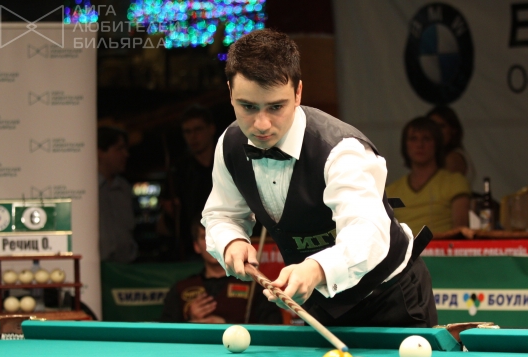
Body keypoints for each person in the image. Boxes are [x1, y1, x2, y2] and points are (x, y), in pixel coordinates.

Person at [202, 29, 437, 327]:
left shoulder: (341, 149)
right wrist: (231, 241)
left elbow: (367, 233)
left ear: (298, 92)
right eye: (248, 107)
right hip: (319, 304)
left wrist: (315, 269)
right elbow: (222, 214)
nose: (261, 124)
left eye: (276, 107)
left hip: (390, 298)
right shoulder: (230, 145)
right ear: (230, 93)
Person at [160, 217, 283, 324]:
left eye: (217, 237)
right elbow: (164, 333)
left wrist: (227, 325)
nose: (212, 243)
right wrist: (189, 319)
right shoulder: (180, 289)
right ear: (196, 246)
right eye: (205, 237)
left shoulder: (255, 287)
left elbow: (273, 330)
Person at [386, 117, 470, 235]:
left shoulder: (455, 182)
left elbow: (461, 231)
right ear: (405, 145)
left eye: (426, 139)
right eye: (413, 139)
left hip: (443, 246)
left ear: (437, 143)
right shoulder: (391, 190)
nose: (420, 144)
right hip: (403, 247)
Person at [161, 105, 217, 259]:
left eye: (198, 129)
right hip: (191, 250)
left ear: (211, 129)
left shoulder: (228, 163)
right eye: (187, 131)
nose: (193, 136)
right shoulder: (178, 171)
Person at [98, 126, 138, 263]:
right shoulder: (88, 190)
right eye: (119, 149)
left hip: (126, 266)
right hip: (100, 267)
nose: (126, 154)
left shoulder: (124, 188)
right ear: (100, 152)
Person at [427, 105, 477, 185]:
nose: (436, 131)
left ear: (453, 130)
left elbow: (442, 188)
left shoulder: (453, 158)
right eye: (432, 127)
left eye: (441, 126)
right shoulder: (435, 157)